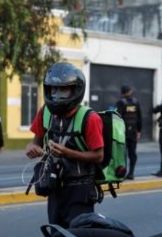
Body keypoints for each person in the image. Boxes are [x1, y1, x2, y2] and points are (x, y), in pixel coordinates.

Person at [25, 62, 104, 227]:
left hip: (80, 189)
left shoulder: (90, 118)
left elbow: (98, 156)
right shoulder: (45, 112)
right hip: (54, 187)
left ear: (76, 90)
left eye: (63, 89)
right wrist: (32, 148)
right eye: (53, 89)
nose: (57, 94)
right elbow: (35, 142)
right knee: (56, 236)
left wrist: (67, 152)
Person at [115, 85, 142, 179]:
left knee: (122, 154)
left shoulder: (120, 102)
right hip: (133, 131)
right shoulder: (136, 102)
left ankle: (122, 173)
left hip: (123, 132)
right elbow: (139, 118)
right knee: (132, 153)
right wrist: (139, 131)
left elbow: (117, 118)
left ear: (122, 93)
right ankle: (131, 173)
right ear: (130, 91)